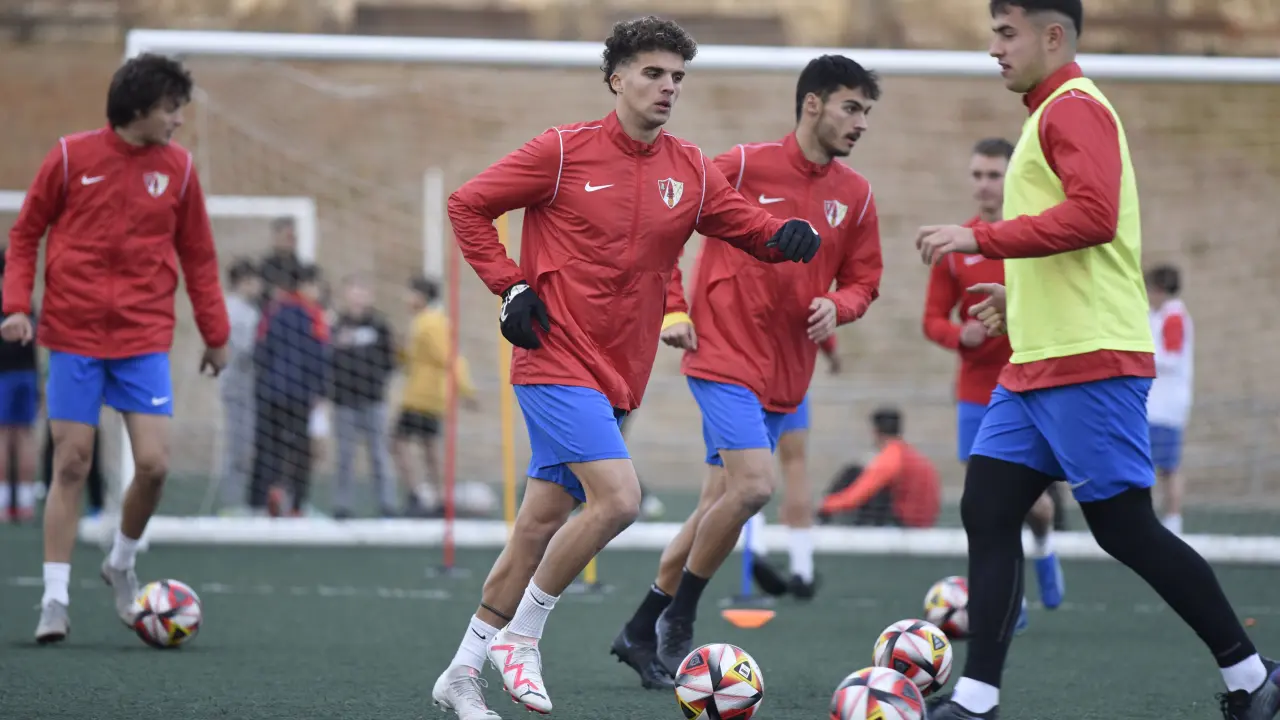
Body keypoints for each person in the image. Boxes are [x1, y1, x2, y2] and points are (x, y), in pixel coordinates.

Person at [433, 16, 821, 719]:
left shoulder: (690, 169)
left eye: (678, 76)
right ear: (616, 79)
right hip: (553, 357)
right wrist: (510, 286)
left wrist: (784, 235)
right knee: (618, 500)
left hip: (618, 375)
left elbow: (745, 224)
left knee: (538, 525)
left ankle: (460, 673)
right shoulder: (561, 151)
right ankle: (521, 637)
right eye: (653, 73)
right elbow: (467, 205)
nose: (668, 86)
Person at [915, 2, 1280, 718]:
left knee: (1124, 527)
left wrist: (980, 237)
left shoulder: (1074, 108)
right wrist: (1019, 297)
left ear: (1053, 36)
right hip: (1036, 362)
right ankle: (977, 699)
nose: (993, 47)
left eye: (1006, 33)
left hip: (1090, 360)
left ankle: (1252, 680)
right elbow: (1071, 240)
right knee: (987, 507)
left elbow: (1094, 217)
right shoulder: (1044, 114)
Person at [612, 53, 881, 688]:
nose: (861, 123)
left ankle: (640, 628)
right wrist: (673, 307)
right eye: (851, 108)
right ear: (812, 104)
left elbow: (865, 280)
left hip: (787, 373)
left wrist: (839, 305)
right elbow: (666, 232)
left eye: (867, 112)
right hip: (723, 356)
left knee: (720, 503)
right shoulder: (740, 165)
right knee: (755, 487)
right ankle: (680, 620)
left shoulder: (857, 195)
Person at [4, 53, 229, 644]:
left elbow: (199, 256)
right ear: (139, 108)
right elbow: (25, 234)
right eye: (171, 108)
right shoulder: (70, 156)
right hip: (72, 335)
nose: (178, 119)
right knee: (72, 461)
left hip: (142, 338)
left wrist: (216, 334)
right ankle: (55, 599)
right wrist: (16, 306)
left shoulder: (179, 170)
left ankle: (121, 562)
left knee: (154, 465)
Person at [921, 137, 1065, 624]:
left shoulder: (1036, 240)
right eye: (977, 175)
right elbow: (931, 319)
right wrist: (958, 334)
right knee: (986, 505)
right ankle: (1008, 602)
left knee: (1035, 506)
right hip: (975, 392)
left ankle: (1044, 546)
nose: (984, 185)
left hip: (1033, 388)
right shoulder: (956, 248)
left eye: (994, 175)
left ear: (1012, 178)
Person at [746, 340, 839, 600]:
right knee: (795, 465)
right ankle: (803, 570)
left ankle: (756, 549)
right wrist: (832, 352)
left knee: (747, 467)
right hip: (791, 374)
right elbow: (818, 320)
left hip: (748, 374)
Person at [250, 262, 329, 518]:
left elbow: (260, 350)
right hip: (300, 393)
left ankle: (266, 497)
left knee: (269, 446)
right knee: (300, 448)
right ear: (305, 285)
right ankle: (296, 504)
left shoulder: (273, 311)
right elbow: (319, 356)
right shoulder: (314, 315)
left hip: (271, 391)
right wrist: (320, 390)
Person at [394, 276, 475, 517]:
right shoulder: (424, 321)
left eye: (410, 293)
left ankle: (418, 495)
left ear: (421, 296)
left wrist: (466, 389)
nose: (406, 299)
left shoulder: (430, 323)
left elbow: (450, 357)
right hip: (427, 395)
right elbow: (415, 360)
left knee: (398, 443)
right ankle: (438, 498)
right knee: (427, 446)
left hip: (422, 396)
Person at [328, 274, 398, 518]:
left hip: (373, 400)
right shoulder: (336, 326)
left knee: (379, 454)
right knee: (344, 456)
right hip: (343, 401)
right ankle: (342, 506)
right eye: (353, 291)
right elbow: (329, 359)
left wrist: (376, 380)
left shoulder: (379, 326)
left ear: (370, 296)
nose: (358, 297)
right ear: (346, 295)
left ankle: (387, 504)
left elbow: (390, 360)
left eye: (362, 292)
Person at [815, 407, 940, 527]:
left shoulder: (891, 456)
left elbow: (857, 496)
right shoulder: (909, 454)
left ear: (875, 431)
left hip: (905, 524)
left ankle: (822, 521)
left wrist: (825, 505)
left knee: (854, 472)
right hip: (922, 521)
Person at [1145, 264, 1193, 536]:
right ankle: (1155, 519)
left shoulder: (1173, 316)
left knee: (1167, 467)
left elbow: (1171, 358)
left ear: (1161, 290)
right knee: (1152, 465)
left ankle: (1173, 523)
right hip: (1155, 404)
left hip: (1165, 406)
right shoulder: (1158, 315)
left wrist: (1143, 357)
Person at [218, 258, 262, 515]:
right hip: (237, 387)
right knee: (239, 447)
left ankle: (245, 501)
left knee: (248, 445)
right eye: (254, 281)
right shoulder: (233, 310)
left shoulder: (250, 309)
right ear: (243, 282)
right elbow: (245, 350)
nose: (258, 286)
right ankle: (232, 504)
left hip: (249, 386)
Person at [0, 252, 40, 523]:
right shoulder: (25, 302)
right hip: (27, 375)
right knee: (25, 436)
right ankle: (25, 503)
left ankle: (3, 503)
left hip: (4, 376)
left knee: (4, 437)